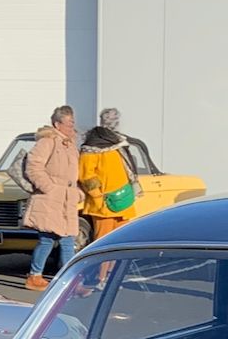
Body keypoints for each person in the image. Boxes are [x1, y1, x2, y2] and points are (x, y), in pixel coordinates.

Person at [22, 105, 82, 291]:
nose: (73, 126)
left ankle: (70, 280)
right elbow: (33, 167)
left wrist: (77, 191)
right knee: (49, 238)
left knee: (67, 239)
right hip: (51, 199)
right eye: (69, 123)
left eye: (73, 122)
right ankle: (37, 276)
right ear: (57, 124)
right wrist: (49, 188)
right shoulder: (47, 142)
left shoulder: (70, 144)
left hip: (66, 199)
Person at [78, 107, 141, 244]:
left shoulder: (119, 143)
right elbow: (86, 175)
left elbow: (128, 168)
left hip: (123, 201)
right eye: (110, 120)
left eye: (115, 120)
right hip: (104, 205)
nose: (113, 123)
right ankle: (103, 266)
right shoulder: (92, 146)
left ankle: (119, 266)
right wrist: (98, 196)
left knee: (122, 242)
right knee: (103, 243)